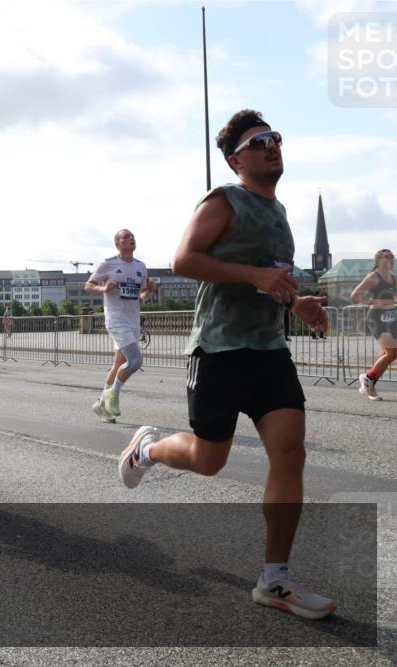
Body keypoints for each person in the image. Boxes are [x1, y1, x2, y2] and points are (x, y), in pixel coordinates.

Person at [118, 110, 336, 619]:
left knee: (291, 453)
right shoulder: (225, 200)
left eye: (277, 138)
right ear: (237, 159)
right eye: (261, 142)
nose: (272, 146)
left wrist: (296, 304)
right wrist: (254, 278)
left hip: (268, 352)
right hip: (218, 351)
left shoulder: (280, 213)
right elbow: (182, 261)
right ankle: (146, 450)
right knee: (208, 460)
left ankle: (274, 578)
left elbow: (270, 280)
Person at [85, 229, 158, 422]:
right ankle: (112, 396)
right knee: (135, 361)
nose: (131, 238)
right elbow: (88, 285)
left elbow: (141, 297)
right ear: (118, 243)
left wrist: (150, 291)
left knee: (119, 363)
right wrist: (103, 288)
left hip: (133, 320)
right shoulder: (108, 264)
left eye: (133, 236)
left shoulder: (141, 267)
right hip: (116, 319)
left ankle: (101, 405)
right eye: (126, 237)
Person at [352, 248, 397, 400]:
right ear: (378, 260)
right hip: (377, 317)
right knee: (392, 352)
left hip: (392, 317)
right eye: (387, 257)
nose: (391, 259)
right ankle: (368, 378)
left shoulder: (394, 278)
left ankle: (369, 384)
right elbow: (355, 295)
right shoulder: (373, 276)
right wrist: (374, 301)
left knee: (386, 353)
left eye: (392, 257)